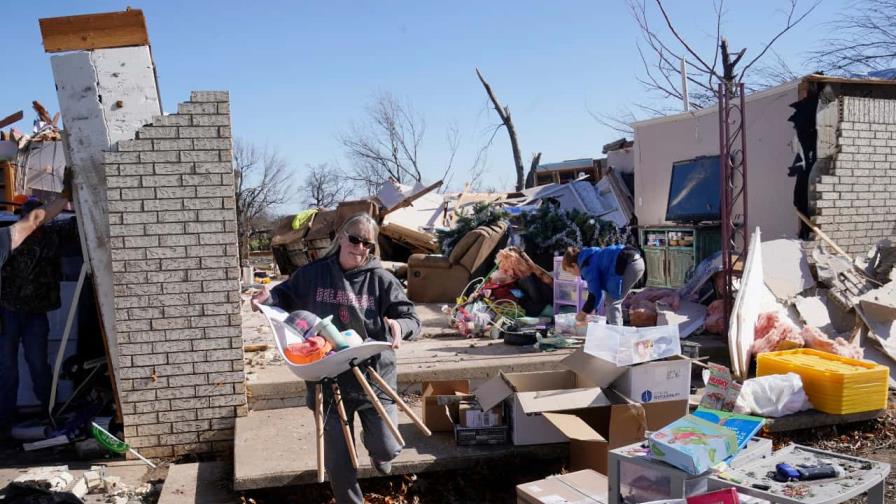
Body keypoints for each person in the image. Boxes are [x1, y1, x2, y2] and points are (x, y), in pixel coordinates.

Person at [251, 213, 420, 504]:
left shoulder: (381, 279)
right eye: (355, 239)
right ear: (341, 237)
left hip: (373, 376)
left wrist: (399, 327)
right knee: (339, 461)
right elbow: (281, 298)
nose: (360, 247)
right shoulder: (313, 275)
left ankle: (377, 449)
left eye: (367, 243)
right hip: (328, 379)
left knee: (388, 447)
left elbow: (412, 319)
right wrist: (265, 300)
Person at [0, 195, 75, 437]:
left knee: (38, 365)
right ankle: (5, 421)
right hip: (8, 311)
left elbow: (73, 226)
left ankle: (49, 411)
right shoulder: (12, 238)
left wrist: (72, 195)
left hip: (34, 313)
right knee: (7, 367)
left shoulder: (52, 237)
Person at [562, 244, 645, 326]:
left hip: (629, 264)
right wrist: (593, 309)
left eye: (570, 271)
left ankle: (615, 331)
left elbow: (595, 294)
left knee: (612, 301)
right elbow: (597, 292)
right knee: (610, 299)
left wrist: (583, 313)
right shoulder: (589, 255)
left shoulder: (586, 266)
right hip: (636, 260)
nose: (573, 274)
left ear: (574, 265)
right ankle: (615, 327)